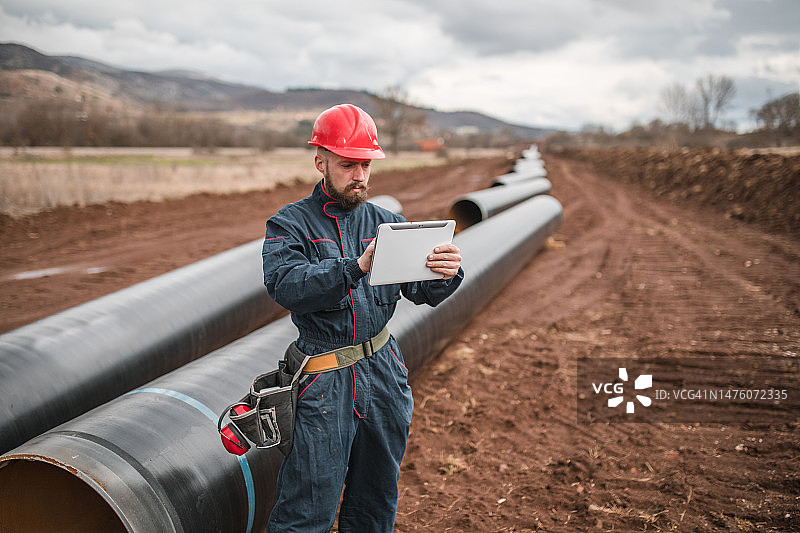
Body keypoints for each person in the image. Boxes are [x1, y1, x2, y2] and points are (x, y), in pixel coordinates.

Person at [262, 103, 463, 532]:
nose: (359, 175)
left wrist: (447, 272)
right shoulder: (290, 224)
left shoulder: (387, 223)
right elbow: (285, 286)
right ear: (321, 162)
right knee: (308, 504)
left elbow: (423, 291)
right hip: (323, 375)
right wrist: (355, 267)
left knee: (376, 496)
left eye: (366, 164)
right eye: (348, 164)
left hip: (383, 371)